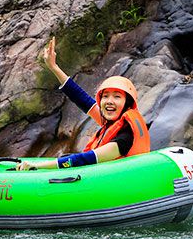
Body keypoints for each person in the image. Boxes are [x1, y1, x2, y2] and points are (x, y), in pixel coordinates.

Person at [17, 37, 150, 170]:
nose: (109, 101)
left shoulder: (125, 137)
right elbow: (81, 98)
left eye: (117, 97)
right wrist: (54, 67)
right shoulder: (112, 122)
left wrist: (39, 166)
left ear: (127, 103)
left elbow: (85, 159)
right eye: (105, 96)